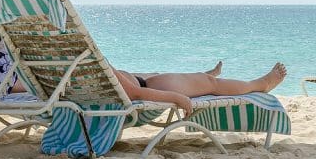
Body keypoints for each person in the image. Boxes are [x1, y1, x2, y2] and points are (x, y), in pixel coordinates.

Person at [113, 61, 288, 116]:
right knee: (212, 83)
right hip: (148, 88)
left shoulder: (95, 65)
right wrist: (177, 98)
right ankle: (261, 84)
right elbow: (135, 93)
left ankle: (201, 77)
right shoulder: (98, 60)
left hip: (141, 82)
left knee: (159, 75)